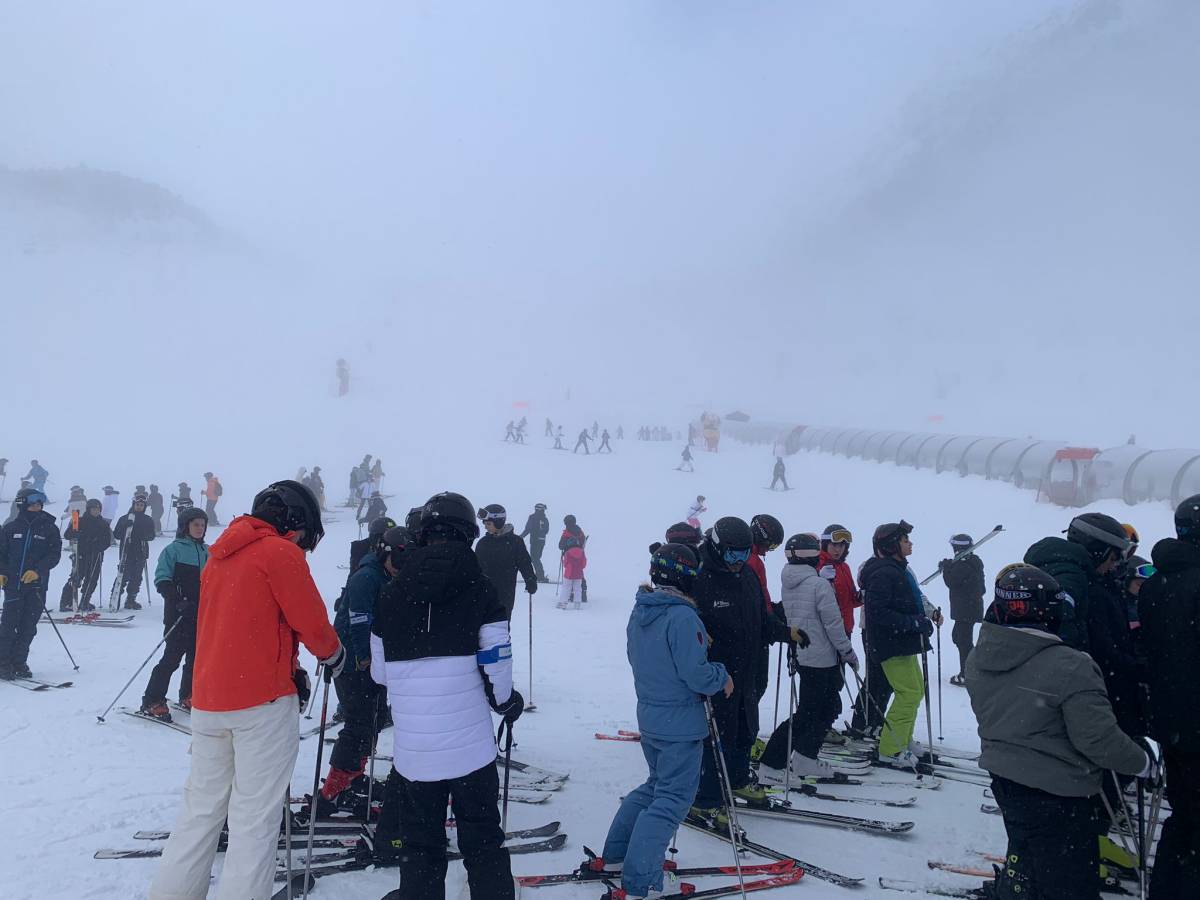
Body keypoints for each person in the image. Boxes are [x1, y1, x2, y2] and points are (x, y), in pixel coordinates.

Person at [148, 480, 344, 900]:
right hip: (262, 705)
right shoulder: (278, 553)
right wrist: (334, 655)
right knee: (254, 821)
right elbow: (311, 622)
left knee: (200, 813)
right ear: (292, 521)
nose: (301, 544)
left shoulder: (218, 556)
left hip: (210, 702)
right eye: (303, 534)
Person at [967, 563, 1153, 900]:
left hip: (1007, 781)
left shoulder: (981, 655)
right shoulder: (1070, 665)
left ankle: (1019, 885)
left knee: (1028, 854)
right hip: (1060, 795)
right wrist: (1142, 762)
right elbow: (1097, 740)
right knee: (1068, 883)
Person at [369, 491, 522, 900]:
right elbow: (496, 660)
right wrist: (505, 702)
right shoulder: (481, 588)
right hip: (471, 750)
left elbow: (381, 673)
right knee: (483, 839)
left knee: (422, 845)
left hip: (415, 751)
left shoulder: (389, 593)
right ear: (467, 534)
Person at [601, 543, 731, 900]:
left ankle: (618, 855)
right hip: (680, 721)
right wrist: (721, 675)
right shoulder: (683, 616)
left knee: (655, 786)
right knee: (672, 798)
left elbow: (644, 657)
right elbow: (696, 675)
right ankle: (643, 880)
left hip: (652, 714)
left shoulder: (643, 611)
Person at [689, 517, 801, 819]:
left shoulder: (748, 575)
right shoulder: (700, 580)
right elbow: (685, 626)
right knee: (718, 738)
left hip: (747, 672)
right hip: (717, 677)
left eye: (743, 552)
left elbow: (760, 622)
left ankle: (737, 780)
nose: (738, 560)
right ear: (716, 548)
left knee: (744, 732)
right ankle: (706, 799)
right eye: (731, 554)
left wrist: (784, 632)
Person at [320, 525, 411, 815]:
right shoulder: (366, 577)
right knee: (359, 722)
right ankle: (334, 789)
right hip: (353, 661)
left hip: (373, 661)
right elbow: (358, 620)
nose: (400, 570)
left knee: (375, 717)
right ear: (384, 554)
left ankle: (354, 776)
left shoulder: (385, 575)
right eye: (397, 563)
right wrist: (363, 657)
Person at [1137, 495, 1200, 898]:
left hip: (1171, 718)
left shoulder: (1158, 580)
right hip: (1192, 717)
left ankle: (1168, 888)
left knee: (1186, 814)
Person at [758, 533, 854, 782]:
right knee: (813, 711)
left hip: (804, 653)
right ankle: (774, 761)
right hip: (822, 657)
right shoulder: (818, 584)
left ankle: (804, 757)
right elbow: (833, 624)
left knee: (822, 708)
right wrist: (848, 652)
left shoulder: (791, 580)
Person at [861, 521, 939, 768]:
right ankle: (891, 748)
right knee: (909, 693)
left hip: (903, 643)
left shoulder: (896, 568)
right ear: (892, 545)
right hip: (891, 644)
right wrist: (914, 623)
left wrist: (921, 620)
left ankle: (902, 738)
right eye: (905, 540)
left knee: (916, 690)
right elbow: (878, 613)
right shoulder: (884, 573)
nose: (910, 544)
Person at [1024, 512, 1132, 652]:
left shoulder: (1058, 567)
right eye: (1112, 559)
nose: (1112, 567)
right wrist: (1078, 662)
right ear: (1098, 552)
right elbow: (1059, 624)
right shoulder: (1070, 576)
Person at [139, 508, 210, 721]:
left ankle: (188, 695)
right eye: (196, 524)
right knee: (171, 659)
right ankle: (152, 700)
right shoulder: (173, 550)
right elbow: (162, 579)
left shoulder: (208, 552)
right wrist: (178, 601)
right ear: (185, 526)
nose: (200, 528)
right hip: (179, 614)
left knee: (196, 659)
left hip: (202, 614)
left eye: (203, 525)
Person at [0, 488, 62, 680]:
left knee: (28, 627)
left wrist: (37, 571)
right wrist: (1, 571)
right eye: (33, 503)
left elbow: (54, 555)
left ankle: (19, 662)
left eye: (39, 503)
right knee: (9, 626)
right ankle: (3, 664)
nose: (37, 506)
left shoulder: (49, 528)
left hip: (36, 586)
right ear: (23, 504)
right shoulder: (10, 528)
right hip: (13, 586)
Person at [747, 513, 785, 707]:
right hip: (755, 631)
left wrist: (773, 611)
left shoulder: (750, 557)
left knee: (753, 685)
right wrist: (770, 618)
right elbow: (759, 596)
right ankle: (746, 733)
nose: (769, 551)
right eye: (770, 546)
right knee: (756, 684)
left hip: (754, 627)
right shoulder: (752, 560)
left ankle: (745, 731)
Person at [475, 504, 537, 619]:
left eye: (488, 524)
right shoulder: (483, 543)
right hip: (482, 594)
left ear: (499, 522)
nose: (485, 527)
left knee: (501, 628)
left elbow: (524, 563)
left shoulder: (515, 542)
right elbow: (474, 568)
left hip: (504, 595)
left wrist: (530, 579)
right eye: (484, 524)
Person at [941, 534, 985, 686]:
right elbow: (982, 588)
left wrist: (946, 568)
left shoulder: (964, 564)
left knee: (963, 641)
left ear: (957, 547)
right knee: (958, 638)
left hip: (965, 610)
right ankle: (973, 669)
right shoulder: (974, 562)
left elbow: (951, 581)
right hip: (970, 609)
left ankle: (968, 674)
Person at [62, 498, 111, 612]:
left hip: (96, 555)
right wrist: (76, 533)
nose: (96, 511)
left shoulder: (103, 523)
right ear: (89, 509)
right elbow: (68, 535)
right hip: (81, 554)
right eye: (93, 509)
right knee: (76, 577)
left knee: (92, 579)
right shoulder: (80, 520)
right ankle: (66, 602)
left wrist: (98, 546)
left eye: (98, 509)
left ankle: (85, 601)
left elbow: (107, 541)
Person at [112, 492, 156, 610]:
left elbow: (152, 535)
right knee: (123, 575)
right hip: (126, 552)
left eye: (142, 505)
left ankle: (131, 599)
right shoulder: (125, 518)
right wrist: (124, 526)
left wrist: (145, 536)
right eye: (137, 504)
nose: (139, 507)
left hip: (140, 552)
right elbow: (116, 535)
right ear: (133, 504)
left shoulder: (148, 520)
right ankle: (115, 598)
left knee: (136, 577)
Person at [519, 502, 550, 583]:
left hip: (534, 540)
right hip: (542, 541)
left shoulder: (532, 517)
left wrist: (520, 537)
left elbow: (528, 529)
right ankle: (540, 575)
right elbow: (546, 531)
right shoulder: (545, 519)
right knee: (537, 558)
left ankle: (540, 576)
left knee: (534, 558)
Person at [556, 534, 587, 609]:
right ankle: (577, 604)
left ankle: (563, 603)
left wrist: (567, 566)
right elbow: (584, 563)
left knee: (566, 588)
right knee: (578, 589)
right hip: (579, 573)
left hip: (569, 574)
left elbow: (565, 564)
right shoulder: (582, 552)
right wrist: (579, 567)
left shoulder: (568, 552)